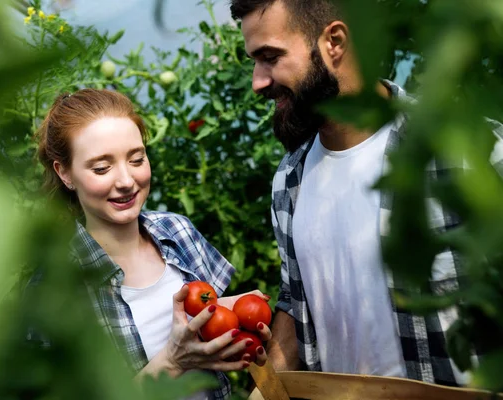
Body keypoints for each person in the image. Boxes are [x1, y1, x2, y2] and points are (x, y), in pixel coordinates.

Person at [229, 0, 503, 387]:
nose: (258, 80)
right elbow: (295, 303)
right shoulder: (289, 181)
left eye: (270, 57)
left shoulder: (469, 151)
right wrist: (267, 388)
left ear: (334, 42)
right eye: (254, 61)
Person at [31, 88, 272, 400]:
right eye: (102, 168)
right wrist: (172, 361)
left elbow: (196, 320)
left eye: (136, 159)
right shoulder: (54, 286)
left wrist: (243, 318)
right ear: (65, 173)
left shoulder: (177, 231)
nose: (126, 180)